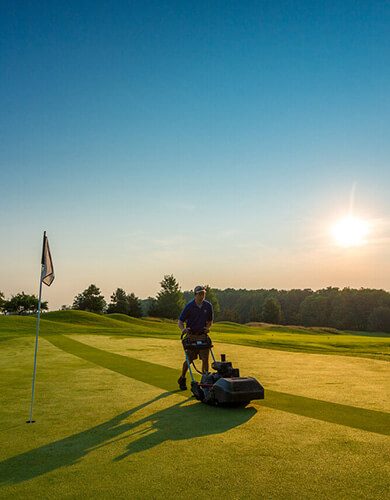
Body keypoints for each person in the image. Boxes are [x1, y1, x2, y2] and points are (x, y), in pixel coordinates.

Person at [177, 285, 214, 390]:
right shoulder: (189, 306)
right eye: (199, 294)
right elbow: (180, 321)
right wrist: (183, 329)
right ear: (195, 295)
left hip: (202, 336)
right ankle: (182, 377)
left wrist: (207, 327)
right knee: (189, 359)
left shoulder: (208, 306)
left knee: (205, 359)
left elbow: (210, 321)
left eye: (203, 294)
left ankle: (205, 382)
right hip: (191, 336)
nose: (201, 296)